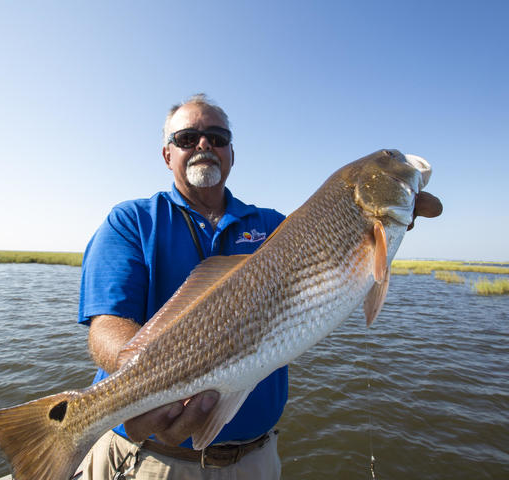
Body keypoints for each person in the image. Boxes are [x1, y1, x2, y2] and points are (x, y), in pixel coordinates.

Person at [76, 94, 443, 480]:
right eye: (187, 138)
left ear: (232, 152)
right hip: (146, 459)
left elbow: (344, 274)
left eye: (217, 137)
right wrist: (144, 380)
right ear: (167, 155)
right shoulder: (130, 221)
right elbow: (106, 325)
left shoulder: (274, 226)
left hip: (256, 461)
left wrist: (385, 229)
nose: (204, 145)